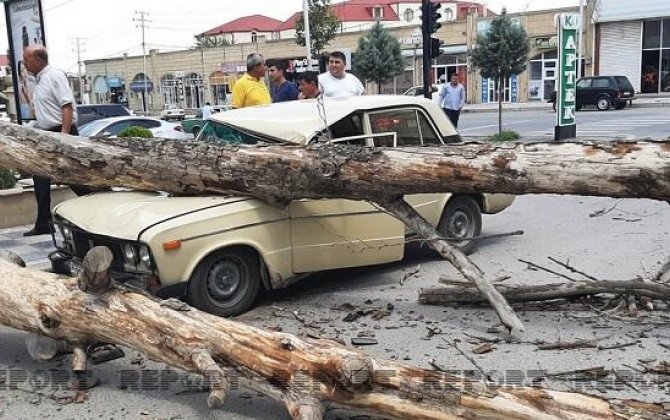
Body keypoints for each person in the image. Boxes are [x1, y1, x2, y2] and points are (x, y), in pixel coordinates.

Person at [22, 45, 79, 236]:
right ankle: (43, 223)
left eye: (26, 58)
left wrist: (64, 136)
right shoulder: (38, 80)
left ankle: (101, 204)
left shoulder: (55, 75)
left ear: (38, 60)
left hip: (62, 133)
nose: (24, 61)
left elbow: (67, 105)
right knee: (39, 176)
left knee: (76, 177)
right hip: (47, 134)